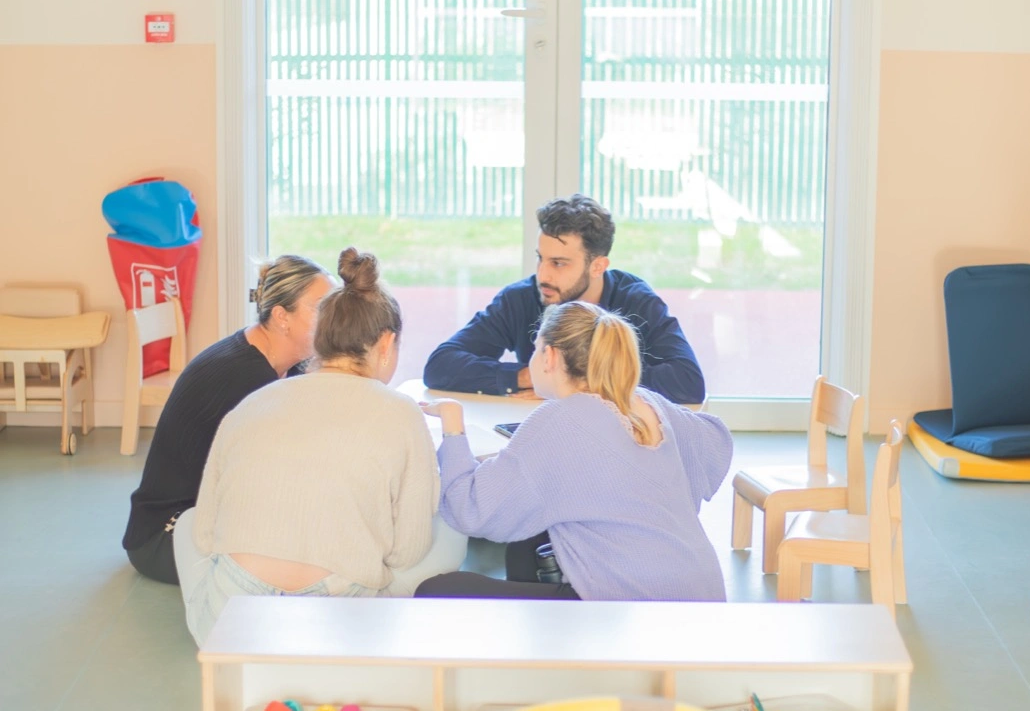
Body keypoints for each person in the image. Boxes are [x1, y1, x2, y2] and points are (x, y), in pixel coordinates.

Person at [173, 248, 466, 645]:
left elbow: (206, 534)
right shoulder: (400, 412)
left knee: (187, 524)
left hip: (234, 614)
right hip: (338, 612)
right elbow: (407, 552)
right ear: (386, 343)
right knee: (451, 529)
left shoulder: (257, 399)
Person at [416, 299, 732, 601]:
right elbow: (717, 442)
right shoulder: (646, 401)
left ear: (550, 356)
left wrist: (453, 424)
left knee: (438, 591)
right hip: (704, 597)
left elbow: (470, 510)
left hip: (635, 612)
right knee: (529, 545)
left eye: (535, 348)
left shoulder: (562, 419)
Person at [123, 253, 334, 585]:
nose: (333, 318)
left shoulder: (279, 361)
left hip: (210, 517)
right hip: (165, 536)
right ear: (282, 317)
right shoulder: (244, 377)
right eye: (321, 308)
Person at [423, 194, 705, 405]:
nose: (542, 275)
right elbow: (440, 366)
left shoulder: (636, 302)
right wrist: (527, 377)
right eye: (540, 258)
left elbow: (688, 382)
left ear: (597, 266)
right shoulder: (521, 298)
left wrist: (570, 382)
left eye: (558, 263)